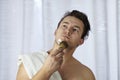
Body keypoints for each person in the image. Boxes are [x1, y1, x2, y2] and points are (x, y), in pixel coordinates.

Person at [16, 10, 95, 80]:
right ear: (55, 31)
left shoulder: (86, 74)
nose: (67, 31)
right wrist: (46, 70)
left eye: (75, 29)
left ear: (80, 41)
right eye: (64, 26)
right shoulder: (30, 61)